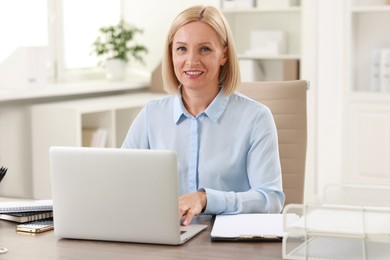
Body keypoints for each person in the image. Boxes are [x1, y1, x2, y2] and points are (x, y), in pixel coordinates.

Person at [122, 5, 285, 226]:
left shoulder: (256, 118)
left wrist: (206, 199)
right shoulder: (151, 115)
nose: (191, 61)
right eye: (181, 49)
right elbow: (120, 183)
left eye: (205, 49)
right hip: (165, 239)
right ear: (171, 54)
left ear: (224, 55)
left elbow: (271, 200)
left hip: (228, 246)